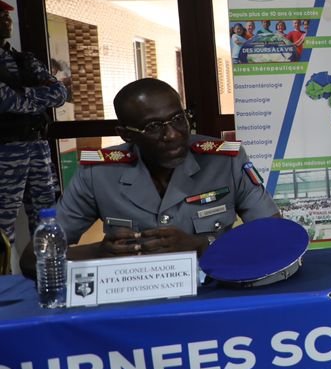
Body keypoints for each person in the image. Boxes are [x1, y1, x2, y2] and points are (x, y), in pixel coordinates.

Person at [52, 79, 278, 259]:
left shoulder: (224, 161)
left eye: (178, 118)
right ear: (126, 134)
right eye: (153, 127)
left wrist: (202, 245)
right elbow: (35, 256)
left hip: (213, 292)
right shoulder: (98, 173)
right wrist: (97, 253)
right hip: (134, 299)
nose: (172, 135)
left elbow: (275, 236)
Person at [0, 0, 68, 245]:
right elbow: (7, 102)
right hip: (6, 151)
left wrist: (25, 94)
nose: (7, 22)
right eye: (1, 17)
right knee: (3, 223)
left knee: (47, 217)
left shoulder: (24, 59)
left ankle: (47, 273)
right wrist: (38, 94)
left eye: (7, 18)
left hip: (37, 147)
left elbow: (60, 94)